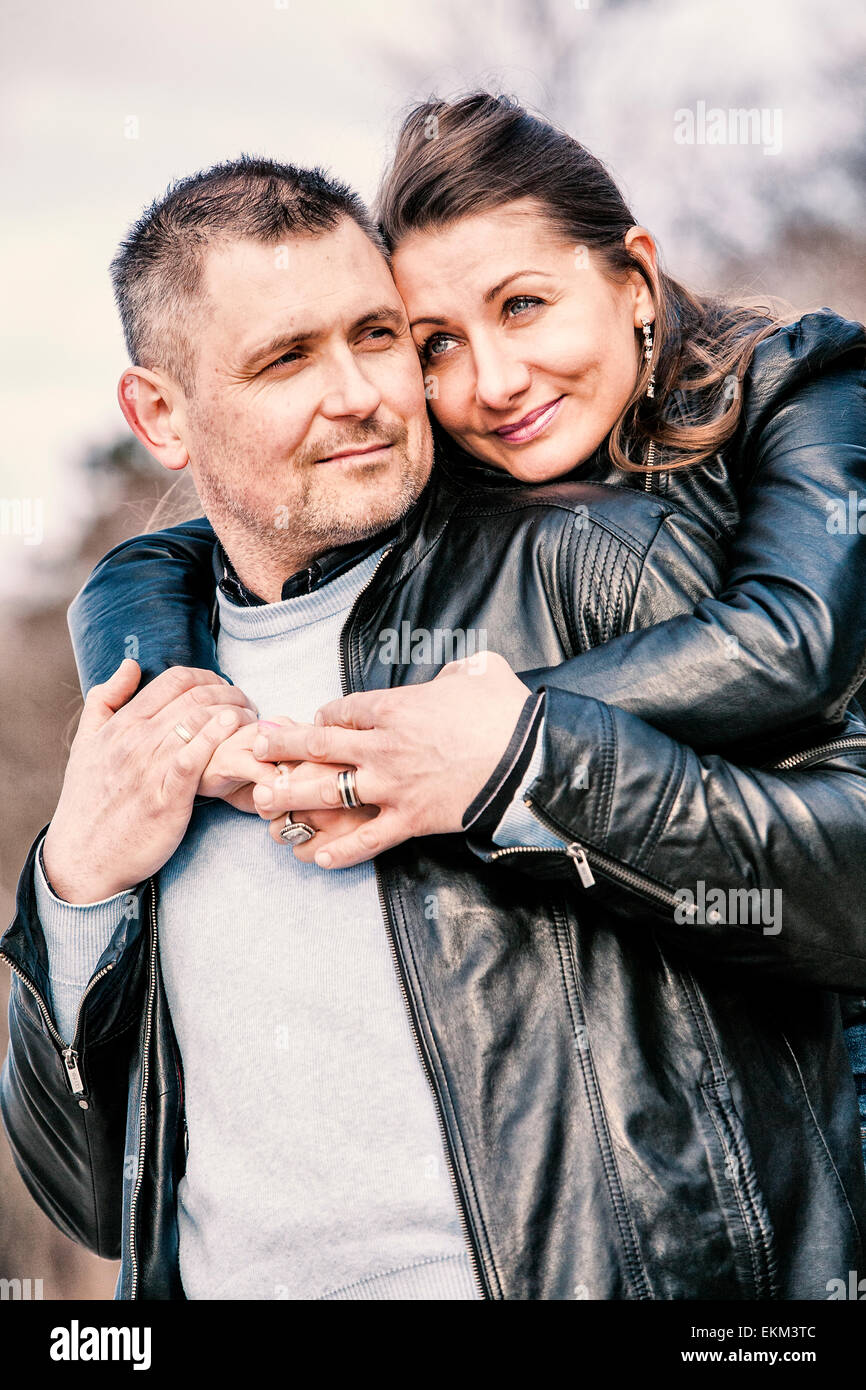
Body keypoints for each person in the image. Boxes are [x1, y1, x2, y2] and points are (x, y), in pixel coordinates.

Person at [2, 155, 866, 1303]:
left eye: (374, 336)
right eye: (286, 358)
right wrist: (76, 888)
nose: (362, 392)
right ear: (160, 414)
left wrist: (524, 762)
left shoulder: (605, 561)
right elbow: (93, 1200)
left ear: (636, 282)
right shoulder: (148, 696)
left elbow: (838, 851)